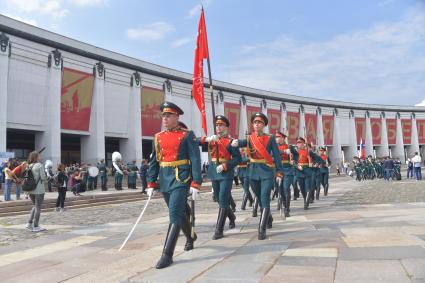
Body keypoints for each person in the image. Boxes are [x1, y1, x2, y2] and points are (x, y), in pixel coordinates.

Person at [147, 101, 202, 269]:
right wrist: (150, 183)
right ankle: (191, 236)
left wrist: (196, 182)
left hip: (181, 179)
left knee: (174, 213)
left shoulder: (187, 135)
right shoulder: (158, 137)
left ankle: (167, 254)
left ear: (176, 116)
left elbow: (195, 159)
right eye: (163, 115)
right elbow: (154, 161)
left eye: (168, 115)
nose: (165, 118)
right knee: (177, 213)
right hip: (165, 179)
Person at [231, 113, 283, 240]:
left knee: (264, 198)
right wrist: (235, 142)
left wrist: (279, 172)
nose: (257, 124)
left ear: (264, 125)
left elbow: (276, 156)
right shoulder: (249, 138)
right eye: (255, 122)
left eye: (259, 122)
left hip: (266, 172)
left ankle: (261, 229)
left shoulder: (270, 138)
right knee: (259, 199)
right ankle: (268, 217)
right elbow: (242, 142)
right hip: (252, 172)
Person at [200, 115, 241, 239]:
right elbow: (195, 141)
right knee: (218, 198)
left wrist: (225, 165)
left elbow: (238, 158)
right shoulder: (212, 140)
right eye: (217, 125)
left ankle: (219, 230)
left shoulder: (231, 142)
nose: (218, 127)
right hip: (214, 172)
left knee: (223, 198)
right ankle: (232, 217)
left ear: (227, 127)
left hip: (226, 173)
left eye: (221, 125)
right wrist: (206, 139)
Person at [275, 131, 295, 217]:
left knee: (286, 188)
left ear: (283, 138)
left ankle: (287, 209)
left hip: (288, 170)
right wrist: (283, 151)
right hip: (279, 170)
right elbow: (272, 154)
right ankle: (284, 204)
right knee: (280, 190)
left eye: (278, 137)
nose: (276, 139)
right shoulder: (274, 147)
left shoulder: (289, 146)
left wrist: (293, 160)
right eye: (276, 137)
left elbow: (296, 155)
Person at [26, 151, 47, 232]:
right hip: (39, 190)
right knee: (38, 207)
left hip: (30, 190)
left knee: (35, 206)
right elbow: (42, 177)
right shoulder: (39, 165)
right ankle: (36, 226)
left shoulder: (29, 166)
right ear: (36, 157)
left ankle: (29, 223)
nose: (40, 156)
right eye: (39, 155)